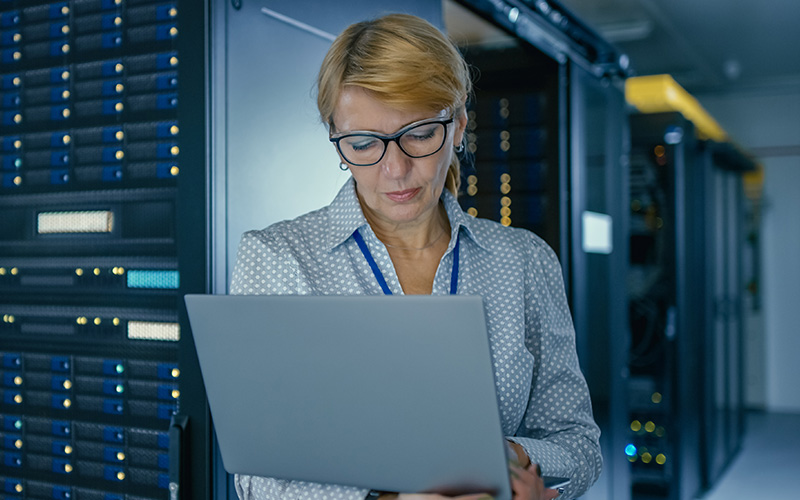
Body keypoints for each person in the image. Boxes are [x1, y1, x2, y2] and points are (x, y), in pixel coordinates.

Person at [230, 13, 601, 500]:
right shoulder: (279, 259)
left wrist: (510, 462)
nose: (396, 169)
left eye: (420, 135)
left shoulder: (526, 262)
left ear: (459, 124)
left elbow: (580, 446)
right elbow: (259, 477)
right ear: (336, 143)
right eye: (363, 143)